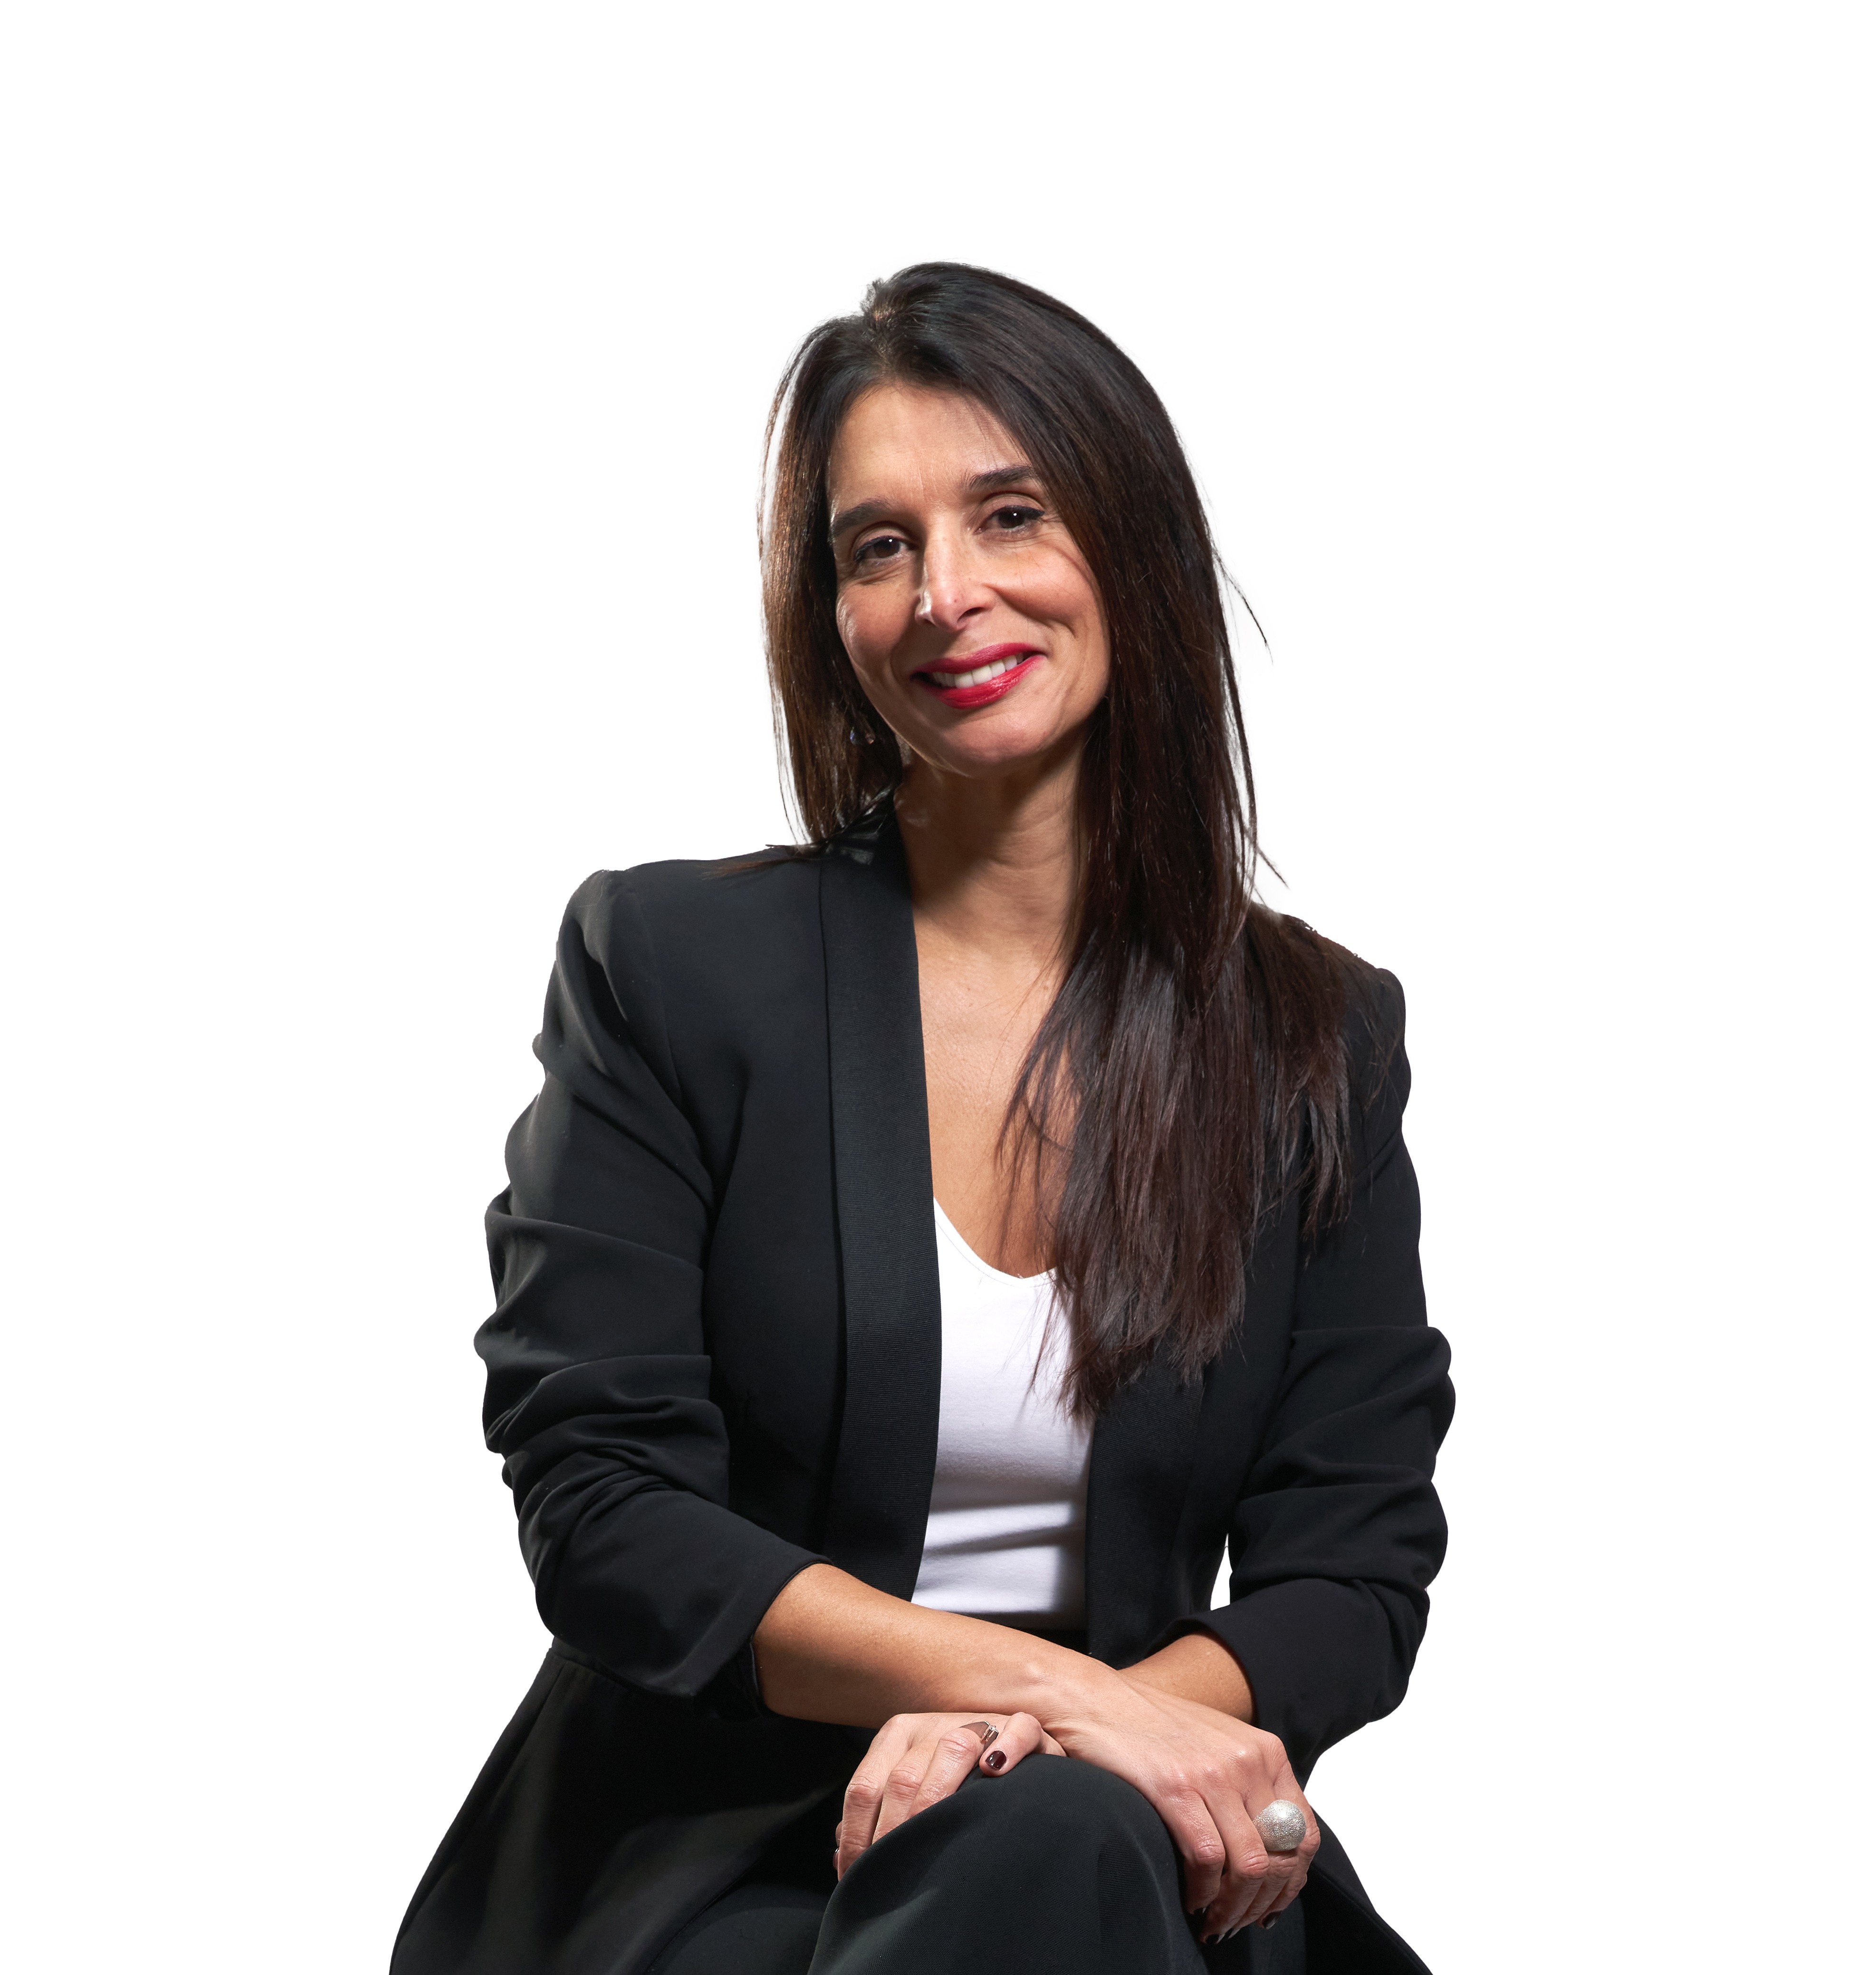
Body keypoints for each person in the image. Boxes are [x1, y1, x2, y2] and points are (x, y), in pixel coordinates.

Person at [392, 263, 1453, 1975]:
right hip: (722, 1848)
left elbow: (1353, 1562)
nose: (943, 594)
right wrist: (1043, 1696)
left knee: (1058, 1836)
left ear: (1135, 545)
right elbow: (604, 1504)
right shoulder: (671, 966)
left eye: (1008, 515)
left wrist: (1075, 1745)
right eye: (877, 546)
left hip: (1138, 1839)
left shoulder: (1310, 1038)